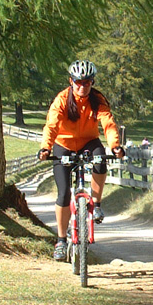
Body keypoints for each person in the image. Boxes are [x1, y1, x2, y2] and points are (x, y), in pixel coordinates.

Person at [37, 60, 125, 262]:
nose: (82, 86)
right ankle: (60, 241)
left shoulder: (98, 99)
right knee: (63, 193)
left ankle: (96, 202)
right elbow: (51, 125)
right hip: (63, 144)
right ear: (71, 81)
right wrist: (45, 148)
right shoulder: (62, 99)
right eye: (78, 82)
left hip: (88, 142)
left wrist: (115, 146)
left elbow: (108, 123)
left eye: (87, 82)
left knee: (101, 159)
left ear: (92, 82)